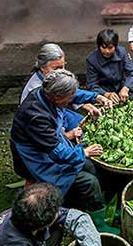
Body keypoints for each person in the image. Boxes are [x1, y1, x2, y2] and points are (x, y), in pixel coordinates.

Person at [10, 69, 116, 233]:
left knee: (91, 166)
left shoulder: (46, 92)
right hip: (39, 156)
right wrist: (84, 152)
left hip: (51, 142)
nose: (71, 100)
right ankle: (99, 225)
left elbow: (75, 94)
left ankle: (97, 203)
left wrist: (97, 97)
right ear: (57, 98)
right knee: (89, 181)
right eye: (68, 99)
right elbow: (57, 154)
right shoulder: (36, 116)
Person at [85, 29, 133, 104]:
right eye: (103, 47)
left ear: (115, 46)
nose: (107, 51)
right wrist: (106, 94)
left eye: (110, 48)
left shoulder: (121, 52)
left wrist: (126, 87)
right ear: (99, 46)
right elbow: (91, 84)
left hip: (121, 88)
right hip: (103, 90)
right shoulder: (92, 60)